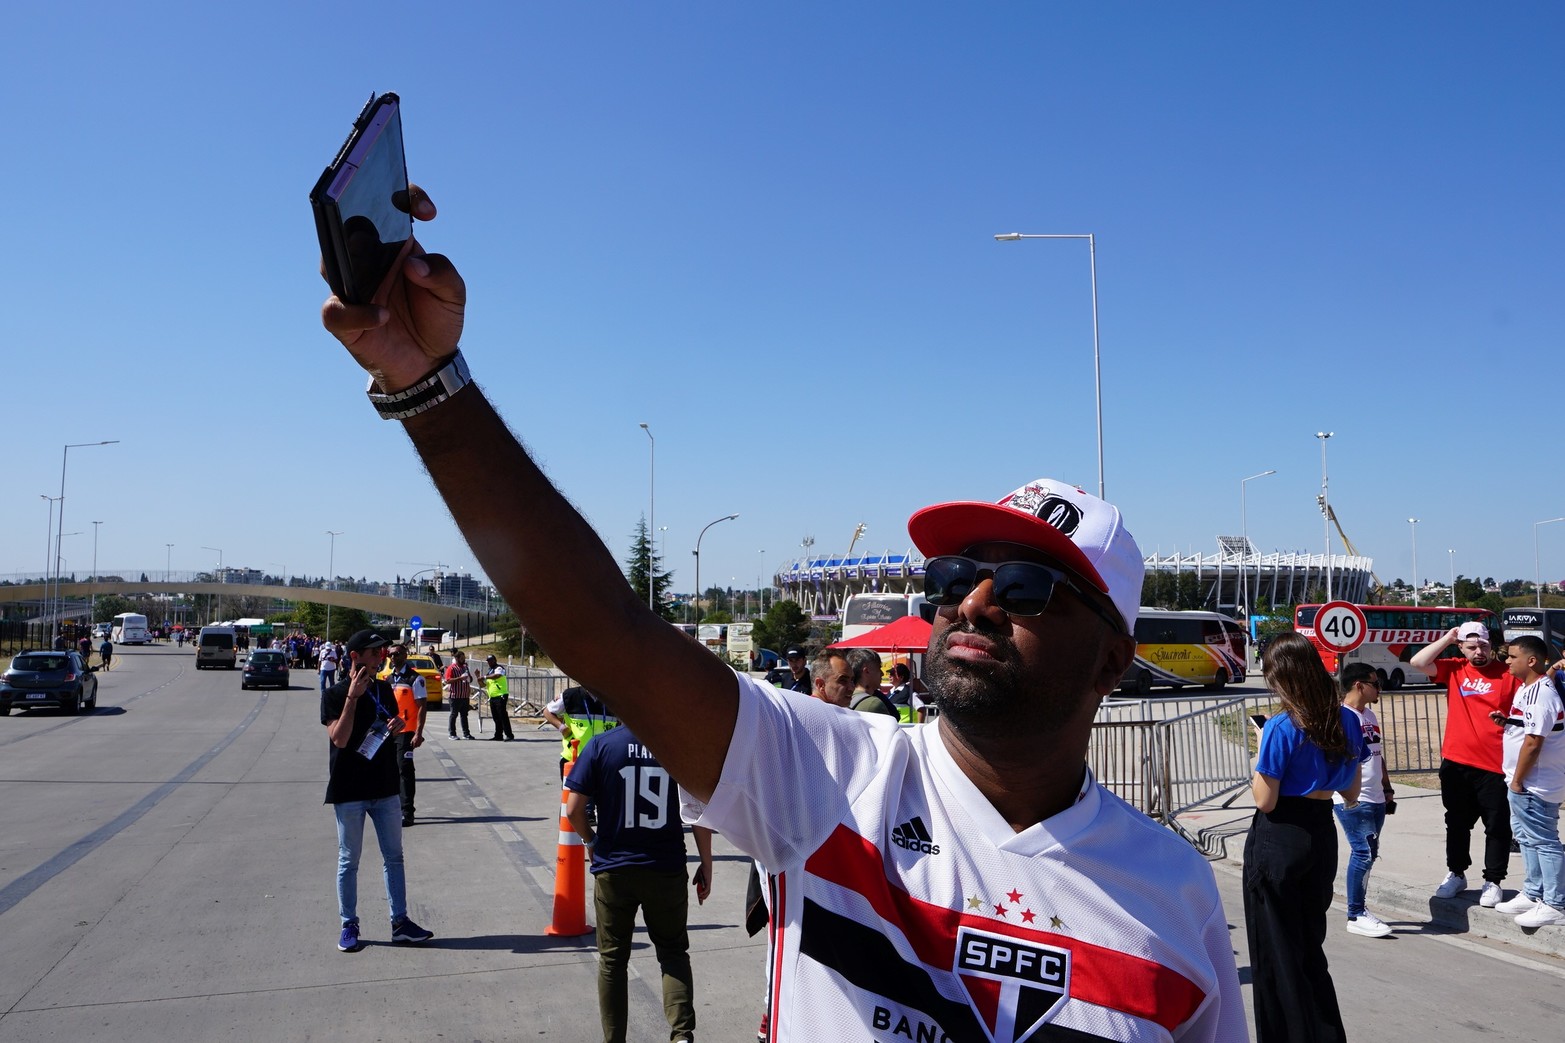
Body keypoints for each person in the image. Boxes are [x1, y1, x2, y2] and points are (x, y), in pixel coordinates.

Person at [319, 185, 1245, 1039]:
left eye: (1027, 588)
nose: (972, 600)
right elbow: (609, 633)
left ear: (1109, 658)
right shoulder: (825, 777)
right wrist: (429, 388)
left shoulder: (1174, 901)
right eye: (959, 571)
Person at [1245, 632, 1366, 1042]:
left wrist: (1258, 753)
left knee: (1275, 951)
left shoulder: (1281, 725)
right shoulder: (1347, 717)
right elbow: (1351, 790)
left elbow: (1265, 801)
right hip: (1321, 830)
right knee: (1309, 947)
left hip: (1281, 834)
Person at [565, 726, 714, 1043]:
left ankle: (614, 1038)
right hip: (665, 867)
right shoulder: (678, 746)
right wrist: (707, 862)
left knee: (612, 961)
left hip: (614, 868)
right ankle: (681, 1033)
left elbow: (574, 809)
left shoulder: (602, 745)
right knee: (672, 952)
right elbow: (697, 810)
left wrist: (590, 841)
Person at [320, 629, 433, 952]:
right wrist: (353, 698)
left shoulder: (384, 689)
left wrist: (394, 727)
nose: (380, 657)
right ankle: (349, 924)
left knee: (394, 857)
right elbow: (339, 739)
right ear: (354, 657)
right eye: (373, 653)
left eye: (381, 652)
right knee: (349, 860)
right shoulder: (334, 694)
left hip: (384, 786)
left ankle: (400, 923)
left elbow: (384, 730)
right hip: (349, 789)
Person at [1411, 620, 1521, 906]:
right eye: (1471, 647)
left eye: (1483, 645)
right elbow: (1418, 661)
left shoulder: (1507, 674)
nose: (1479, 652)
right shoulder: (1455, 668)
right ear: (1461, 647)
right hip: (1457, 762)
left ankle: (1493, 880)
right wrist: (1447, 638)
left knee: (1497, 825)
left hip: (1496, 764)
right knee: (1457, 823)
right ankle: (1456, 873)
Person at [1491, 635, 1565, 927]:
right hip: (1524, 781)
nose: (1506, 661)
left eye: (1511, 657)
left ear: (1531, 660)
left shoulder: (1541, 695)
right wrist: (1508, 721)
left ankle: (1555, 903)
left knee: (1544, 841)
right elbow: (1529, 727)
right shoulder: (1528, 689)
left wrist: (1518, 781)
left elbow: (1534, 743)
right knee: (1527, 839)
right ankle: (1534, 892)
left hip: (1534, 783)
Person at [1333, 663, 1396, 937]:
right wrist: (1347, 795)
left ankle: (1359, 910)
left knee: (1369, 853)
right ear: (1358, 685)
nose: (1379, 688)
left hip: (1376, 795)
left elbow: (1377, 754)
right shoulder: (1339, 716)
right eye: (1375, 683)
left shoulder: (1369, 714)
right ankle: (1356, 914)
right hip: (1352, 797)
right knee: (1363, 852)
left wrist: (1387, 787)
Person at [385, 644, 428, 826]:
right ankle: (392, 809)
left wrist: (418, 733)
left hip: (406, 732)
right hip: (388, 731)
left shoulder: (414, 679)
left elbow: (422, 707)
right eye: (390, 655)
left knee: (405, 770)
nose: (393, 657)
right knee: (390, 771)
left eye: (396, 654)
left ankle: (407, 812)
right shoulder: (388, 679)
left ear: (404, 655)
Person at [544, 684, 620, 777]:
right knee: (570, 792)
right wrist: (562, 728)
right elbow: (548, 712)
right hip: (574, 759)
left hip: (603, 761)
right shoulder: (571, 695)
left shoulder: (613, 699)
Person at [444, 649, 475, 739]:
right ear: (457, 659)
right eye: (462, 658)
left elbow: (470, 679)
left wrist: (469, 678)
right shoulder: (452, 668)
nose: (464, 660)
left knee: (464, 715)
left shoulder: (465, 667)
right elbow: (448, 680)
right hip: (455, 696)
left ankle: (466, 733)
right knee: (454, 715)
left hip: (465, 696)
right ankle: (452, 734)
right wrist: (460, 678)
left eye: (464, 658)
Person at [483, 655, 514, 741]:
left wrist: (485, 677)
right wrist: (479, 678)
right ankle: (498, 735)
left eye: (491, 660)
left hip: (501, 695)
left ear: (495, 660)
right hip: (492, 697)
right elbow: (483, 684)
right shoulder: (489, 671)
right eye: (488, 661)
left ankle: (509, 735)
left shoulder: (499, 668)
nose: (489, 662)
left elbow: (498, 675)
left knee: (503, 716)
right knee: (496, 717)